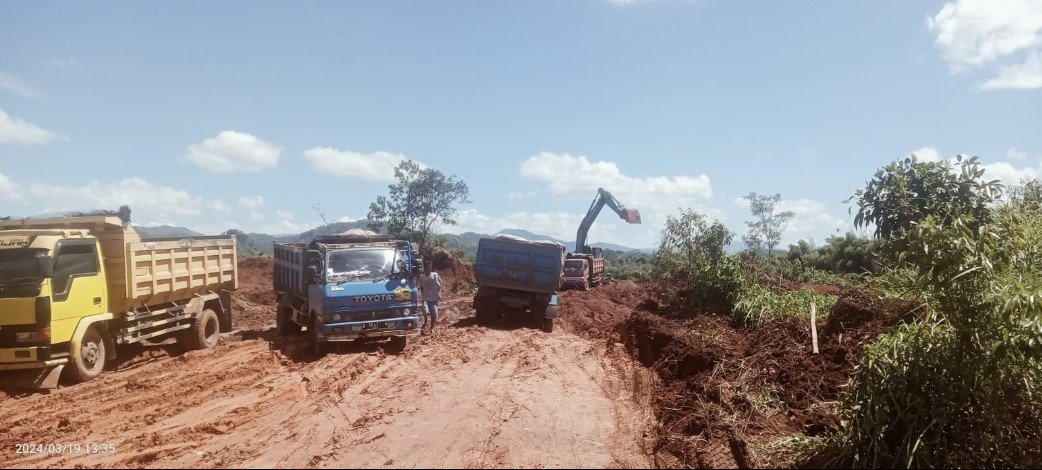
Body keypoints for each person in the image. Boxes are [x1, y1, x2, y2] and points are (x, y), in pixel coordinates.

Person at [418, 260, 442, 334]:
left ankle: (431, 328)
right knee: (425, 312)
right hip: (425, 298)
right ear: (424, 268)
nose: (428, 268)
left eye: (429, 267)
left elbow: (439, 285)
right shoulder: (422, 277)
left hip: (434, 299)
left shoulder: (435, 275)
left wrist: (439, 294)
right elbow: (421, 288)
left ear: (431, 267)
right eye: (426, 267)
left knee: (434, 315)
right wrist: (422, 298)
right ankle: (425, 322)